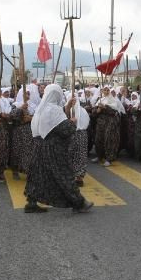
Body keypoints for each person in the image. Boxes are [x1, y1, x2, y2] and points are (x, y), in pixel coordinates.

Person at [25, 84, 93, 213]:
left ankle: (31, 202)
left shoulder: (41, 109)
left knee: (37, 175)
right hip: (53, 149)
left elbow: (51, 124)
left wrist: (67, 107)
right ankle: (79, 203)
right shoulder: (53, 109)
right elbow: (65, 129)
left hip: (39, 147)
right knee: (63, 174)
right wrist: (72, 122)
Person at [92, 85, 122, 166]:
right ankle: (99, 156)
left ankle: (109, 158)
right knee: (98, 139)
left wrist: (105, 107)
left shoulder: (113, 100)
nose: (106, 92)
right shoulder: (100, 100)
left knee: (109, 140)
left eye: (107, 90)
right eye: (104, 90)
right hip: (100, 123)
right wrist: (97, 110)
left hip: (110, 123)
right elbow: (94, 112)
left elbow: (114, 112)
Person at [66, 89, 90, 186]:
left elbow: (86, 122)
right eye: (71, 100)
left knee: (81, 155)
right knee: (69, 155)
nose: (73, 101)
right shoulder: (66, 110)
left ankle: (79, 177)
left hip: (81, 134)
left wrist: (77, 123)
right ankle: (69, 175)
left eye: (75, 99)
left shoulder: (82, 111)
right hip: (70, 135)